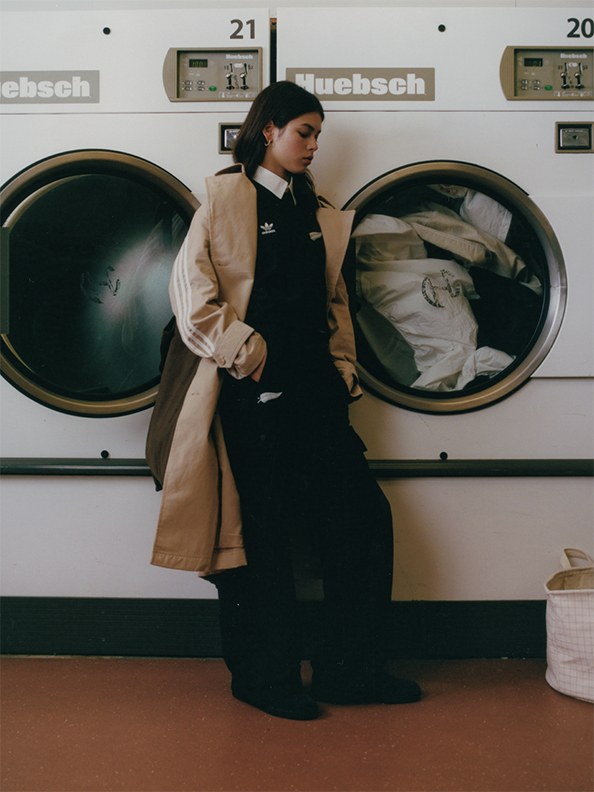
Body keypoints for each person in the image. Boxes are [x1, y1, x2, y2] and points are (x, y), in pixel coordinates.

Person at [148, 80, 421, 720]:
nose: (313, 145)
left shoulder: (318, 211)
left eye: (318, 134)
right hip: (251, 397)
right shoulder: (223, 197)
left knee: (362, 522)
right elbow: (191, 298)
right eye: (304, 131)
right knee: (257, 540)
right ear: (267, 130)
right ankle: (264, 678)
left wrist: (344, 368)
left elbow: (333, 304)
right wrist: (249, 354)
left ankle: (349, 671)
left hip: (317, 397)